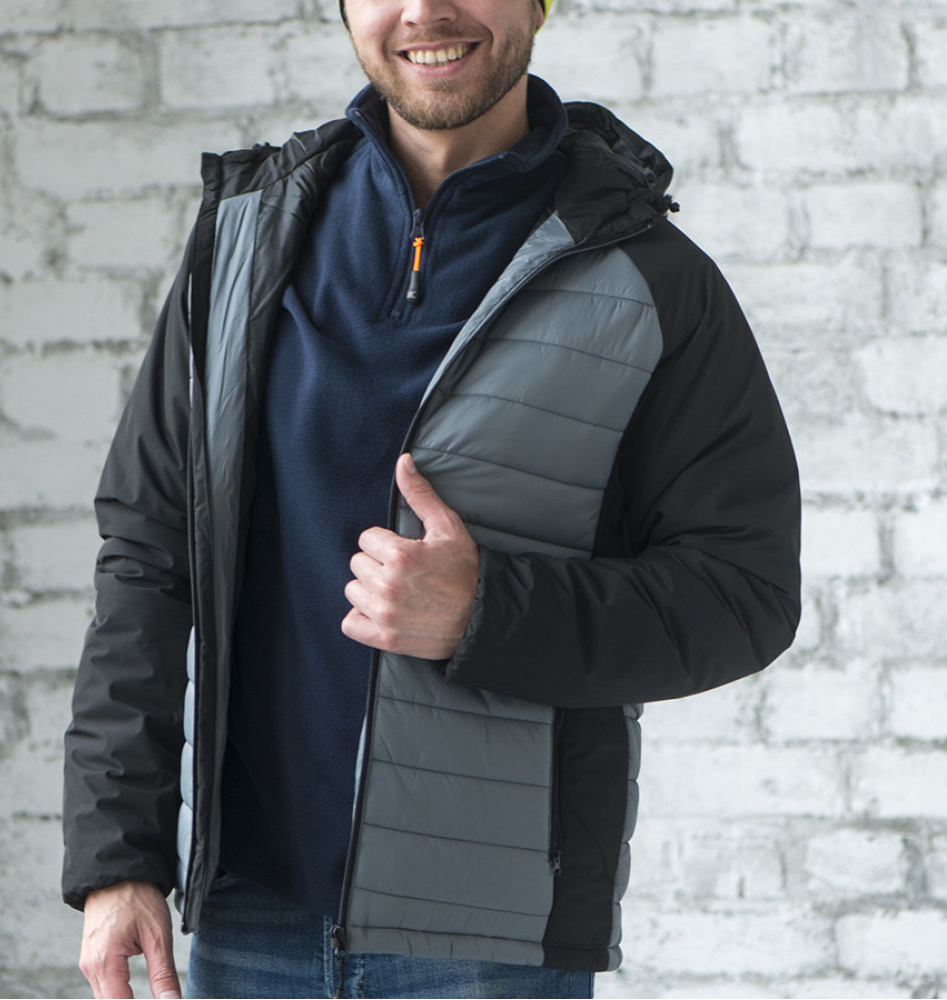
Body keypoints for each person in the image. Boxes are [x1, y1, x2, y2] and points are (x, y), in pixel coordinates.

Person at [63, 0, 801, 996]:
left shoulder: (651, 279)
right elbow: (149, 554)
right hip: (247, 915)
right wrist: (118, 856)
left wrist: (485, 609)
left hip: (486, 943)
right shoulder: (239, 240)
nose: (424, 11)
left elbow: (744, 593)